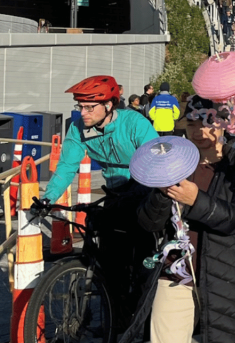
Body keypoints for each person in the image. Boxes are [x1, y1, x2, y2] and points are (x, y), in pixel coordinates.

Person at [129, 100, 235, 343]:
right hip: (177, 273)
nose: (200, 132)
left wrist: (197, 200)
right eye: (192, 124)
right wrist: (161, 193)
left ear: (224, 127)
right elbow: (149, 223)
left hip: (227, 275)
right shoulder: (173, 165)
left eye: (209, 124)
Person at [42, 75, 159, 329]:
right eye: (79, 107)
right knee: (109, 260)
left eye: (89, 107)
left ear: (109, 106)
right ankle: (116, 318)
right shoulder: (78, 129)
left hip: (145, 191)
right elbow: (67, 166)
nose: (82, 113)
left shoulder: (134, 123)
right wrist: (47, 198)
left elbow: (156, 160)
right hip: (115, 193)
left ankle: (146, 315)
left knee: (143, 261)